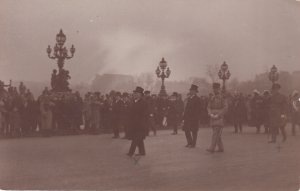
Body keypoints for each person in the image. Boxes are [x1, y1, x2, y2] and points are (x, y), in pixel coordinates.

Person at [206, 83, 228, 153]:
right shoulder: (212, 98)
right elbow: (208, 107)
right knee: (217, 133)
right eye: (214, 88)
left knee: (215, 132)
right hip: (212, 117)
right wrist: (210, 113)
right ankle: (221, 148)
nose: (215, 90)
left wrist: (219, 114)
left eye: (216, 88)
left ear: (219, 89)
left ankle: (212, 148)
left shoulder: (222, 98)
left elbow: (225, 107)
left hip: (219, 117)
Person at [127, 87, 148, 157]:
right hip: (135, 124)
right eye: (134, 93)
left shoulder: (143, 103)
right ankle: (142, 152)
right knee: (139, 139)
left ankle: (131, 152)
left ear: (140, 95)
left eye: (136, 93)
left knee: (135, 139)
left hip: (140, 125)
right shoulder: (134, 102)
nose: (134, 95)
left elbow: (144, 114)